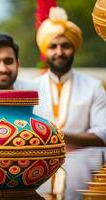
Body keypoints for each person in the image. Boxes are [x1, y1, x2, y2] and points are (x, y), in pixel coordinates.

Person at [34, 7, 106, 147]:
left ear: (74, 49)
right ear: (44, 50)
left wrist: (57, 137)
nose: (59, 52)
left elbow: (103, 134)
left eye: (65, 46)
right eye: (53, 46)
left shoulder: (93, 87)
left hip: (83, 166)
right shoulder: (30, 88)